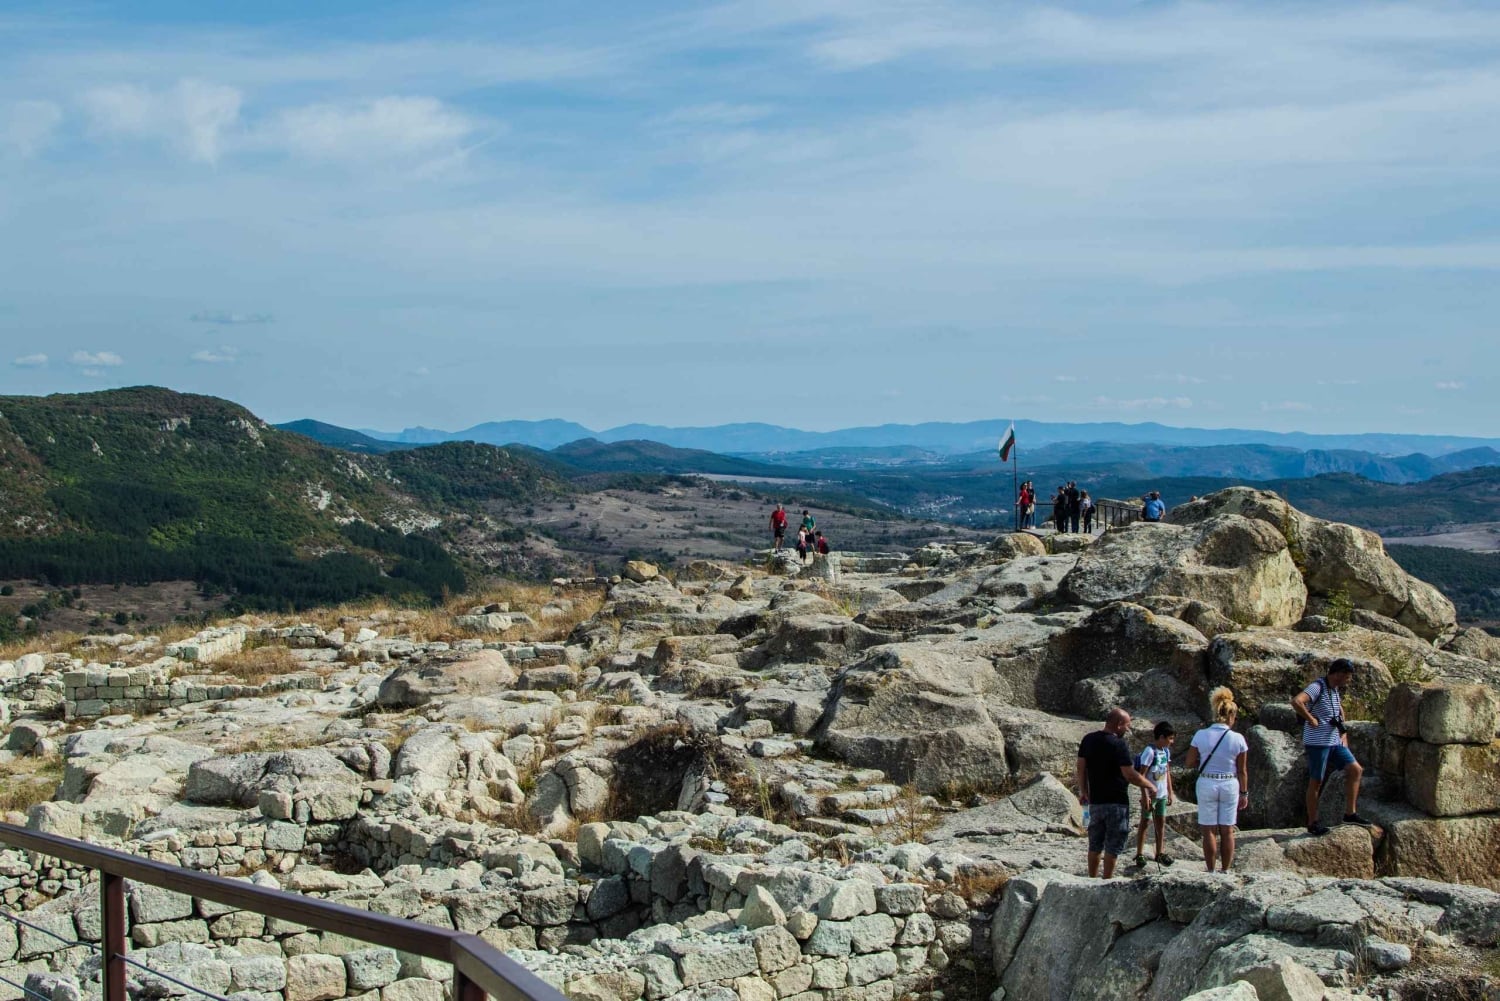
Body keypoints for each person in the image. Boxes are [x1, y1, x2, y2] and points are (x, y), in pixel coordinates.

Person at [1076, 708, 1160, 878]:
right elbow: (1129, 774)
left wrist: (1084, 791)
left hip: (1095, 801)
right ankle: (1106, 880)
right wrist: (1150, 786)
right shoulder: (1118, 744)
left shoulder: (1088, 739)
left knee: (1095, 843)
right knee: (1113, 845)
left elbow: (1081, 767)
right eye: (1127, 725)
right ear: (1119, 725)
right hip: (1117, 802)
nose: (1128, 729)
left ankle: (1092, 878)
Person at [1292, 659, 1371, 834]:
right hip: (1318, 743)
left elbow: (1338, 710)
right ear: (1339, 674)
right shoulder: (1317, 686)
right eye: (1347, 677)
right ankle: (1312, 823)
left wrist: (1343, 733)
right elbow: (1297, 701)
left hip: (1334, 741)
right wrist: (1310, 719)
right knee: (1316, 781)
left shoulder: (1334, 689)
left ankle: (1350, 813)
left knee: (1355, 770)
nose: (1348, 681)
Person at [1181, 688, 1250, 872]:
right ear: (1231, 716)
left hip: (1207, 781)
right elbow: (1242, 770)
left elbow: (1188, 762)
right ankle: (1225, 870)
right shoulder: (1238, 738)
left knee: (1208, 831)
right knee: (1227, 830)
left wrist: (1203, 760)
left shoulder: (1201, 735)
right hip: (1229, 782)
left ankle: (1210, 870)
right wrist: (1244, 792)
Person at [1132, 722, 1176, 868]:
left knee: (1161, 822)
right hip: (1151, 795)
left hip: (1162, 794)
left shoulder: (1165, 752)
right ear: (1161, 737)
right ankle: (1139, 853)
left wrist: (1170, 792)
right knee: (1145, 822)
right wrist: (1145, 795)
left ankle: (1159, 852)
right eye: (1170, 738)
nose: (1172, 742)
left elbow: (1167, 771)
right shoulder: (1150, 752)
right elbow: (1142, 775)